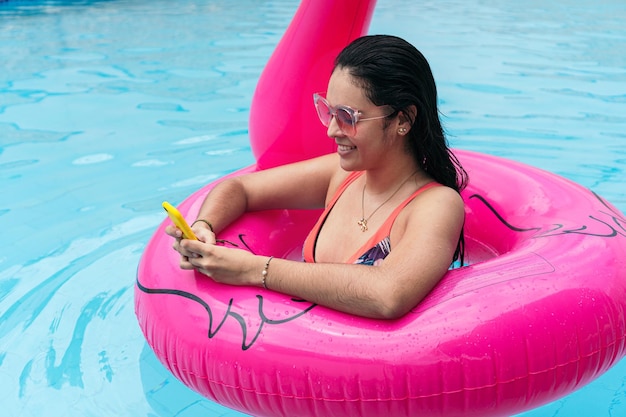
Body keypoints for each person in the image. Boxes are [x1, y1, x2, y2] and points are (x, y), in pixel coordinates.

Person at [165, 35, 468, 319]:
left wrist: (254, 270)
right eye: (329, 112)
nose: (332, 130)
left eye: (348, 117)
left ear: (403, 120)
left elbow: (389, 294)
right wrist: (204, 226)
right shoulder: (341, 175)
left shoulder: (436, 204)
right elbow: (239, 189)